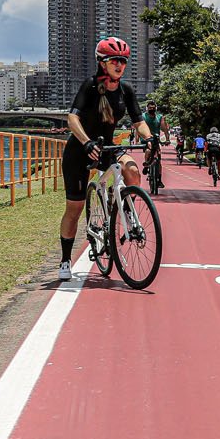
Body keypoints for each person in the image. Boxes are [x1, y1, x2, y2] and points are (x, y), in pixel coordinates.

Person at [57, 37, 156, 281]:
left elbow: (138, 121)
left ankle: (125, 208)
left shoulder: (126, 90)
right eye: (114, 60)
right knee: (75, 209)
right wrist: (86, 141)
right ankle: (65, 260)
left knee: (132, 171)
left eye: (123, 60)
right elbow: (73, 119)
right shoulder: (90, 86)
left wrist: (150, 138)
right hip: (80, 152)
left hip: (107, 147)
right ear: (103, 63)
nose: (119, 65)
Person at [141, 100, 169, 188]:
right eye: (150, 108)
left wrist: (167, 139)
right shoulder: (143, 116)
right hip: (146, 139)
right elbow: (140, 127)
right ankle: (146, 164)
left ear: (156, 109)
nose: (151, 109)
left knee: (159, 156)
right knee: (148, 151)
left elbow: (164, 129)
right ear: (147, 109)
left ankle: (159, 179)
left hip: (156, 139)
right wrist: (139, 139)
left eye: (153, 108)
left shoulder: (160, 117)